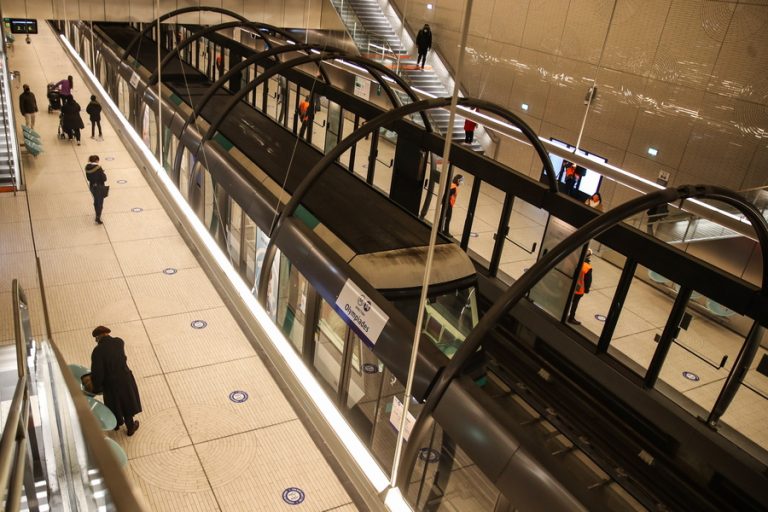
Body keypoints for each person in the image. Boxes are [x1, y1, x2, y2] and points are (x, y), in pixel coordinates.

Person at [90, 326, 142, 436]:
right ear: (107, 333)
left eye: (96, 338)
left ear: (99, 337)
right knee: (126, 403)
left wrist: (96, 387)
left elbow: (98, 372)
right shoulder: (119, 342)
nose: (96, 341)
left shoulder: (97, 351)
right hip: (125, 379)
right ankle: (130, 427)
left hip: (110, 384)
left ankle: (116, 425)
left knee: (114, 404)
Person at [567, 249, 593, 325]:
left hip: (569, 285)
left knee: (567, 300)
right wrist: (586, 290)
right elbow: (588, 281)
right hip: (579, 289)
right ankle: (571, 318)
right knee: (574, 304)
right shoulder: (587, 267)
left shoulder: (574, 262)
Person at [85, 155, 107, 224]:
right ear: (97, 160)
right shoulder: (98, 168)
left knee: (96, 200)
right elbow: (104, 178)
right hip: (99, 187)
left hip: (92, 186)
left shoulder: (87, 168)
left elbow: (88, 178)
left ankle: (97, 213)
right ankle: (98, 217)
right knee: (100, 202)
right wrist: (102, 173)